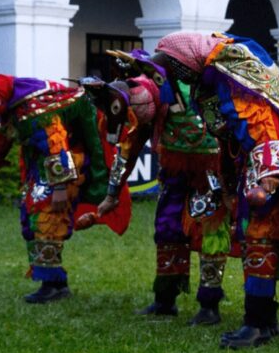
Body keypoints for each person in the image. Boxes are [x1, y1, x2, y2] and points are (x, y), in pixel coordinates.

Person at [142, 32, 279, 349]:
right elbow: (227, 136)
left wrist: (268, 177)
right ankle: (265, 320)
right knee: (255, 235)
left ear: (187, 57)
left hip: (277, 163)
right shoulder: (208, 83)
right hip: (249, 161)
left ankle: (256, 324)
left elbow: (262, 124)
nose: (175, 73)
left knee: (261, 234)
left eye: (174, 65)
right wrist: (230, 183)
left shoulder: (232, 75)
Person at [0, 75, 133, 303]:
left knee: (46, 217)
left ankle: (53, 285)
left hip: (65, 165)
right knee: (30, 218)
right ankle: (53, 281)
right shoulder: (8, 115)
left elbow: (56, 144)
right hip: (38, 168)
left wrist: (60, 186)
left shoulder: (36, 110)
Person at [95, 50, 238, 326]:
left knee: (211, 234)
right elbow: (129, 147)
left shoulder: (209, 86)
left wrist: (231, 185)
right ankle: (165, 299)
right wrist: (113, 193)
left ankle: (209, 304)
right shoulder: (151, 99)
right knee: (167, 230)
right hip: (173, 175)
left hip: (213, 175)